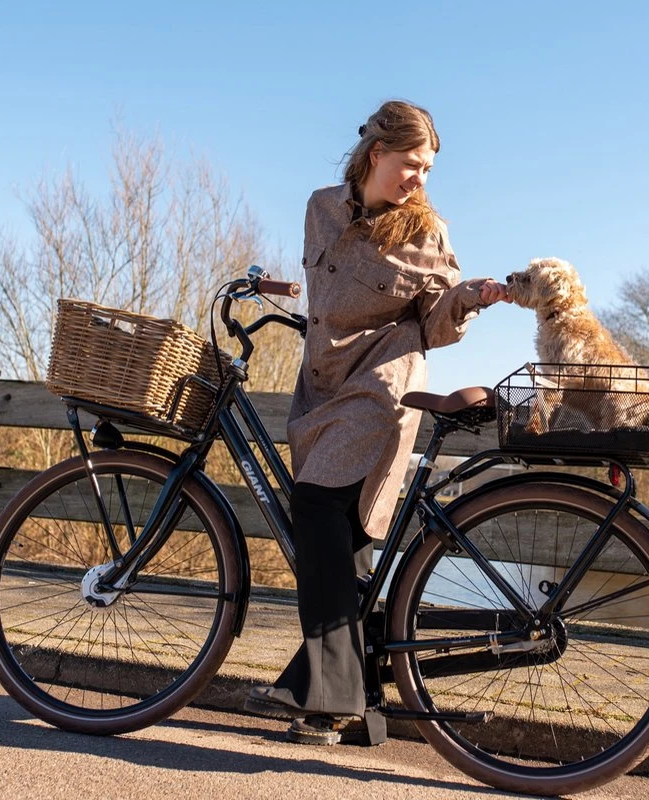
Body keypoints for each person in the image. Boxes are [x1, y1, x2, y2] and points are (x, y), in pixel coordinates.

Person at [242, 100, 510, 745]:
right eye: (409, 164)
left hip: (381, 387)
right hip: (321, 385)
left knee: (313, 509)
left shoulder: (428, 232)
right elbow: (324, 298)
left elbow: (436, 323)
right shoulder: (320, 208)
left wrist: (468, 299)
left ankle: (330, 693)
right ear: (374, 154)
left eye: (426, 168)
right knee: (346, 540)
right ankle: (358, 708)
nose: (418, 178)